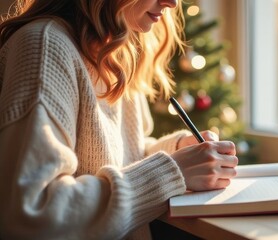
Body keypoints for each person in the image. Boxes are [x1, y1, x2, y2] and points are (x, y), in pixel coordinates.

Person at [0, 0, 239, 239]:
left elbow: (123, 154)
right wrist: (172, 171)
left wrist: (175, 150)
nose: (172, 3)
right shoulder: (45, 47)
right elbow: (31, 215)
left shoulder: (116, 53)